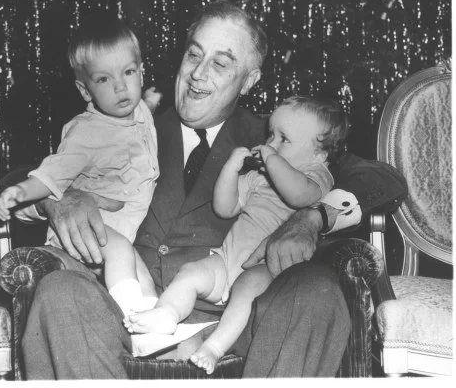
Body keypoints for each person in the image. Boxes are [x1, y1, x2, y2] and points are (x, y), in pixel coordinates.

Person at [15, 0, 406, 378]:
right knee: (58, 292)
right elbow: (20, 178)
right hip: (124, 318)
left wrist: (313, 217)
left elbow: (381, 179)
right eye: (193, 55)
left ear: (249, 80)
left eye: (220, 63)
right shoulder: (127, 123)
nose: (198, 74)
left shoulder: (275, 138)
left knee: (316, 291)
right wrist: (56, 200)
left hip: (232, 325)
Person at [124, 96, 349, 374]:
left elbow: (298, 194)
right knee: (191, 273)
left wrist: (271, 158)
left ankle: (214, 347)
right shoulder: (259, 177)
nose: (271, 144)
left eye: (284, 139)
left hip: (264, 269)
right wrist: (231, 168)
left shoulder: (317, 175)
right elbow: (225, 207)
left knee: (244, 293)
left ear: (320, 155)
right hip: (227, 258)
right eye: (271, 135)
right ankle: (167, 313)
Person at [0, 19, 164, 315]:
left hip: (118, 235)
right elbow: (51, 175)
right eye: (104, 79)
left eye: (128, 72)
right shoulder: (86, 134)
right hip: (83, 231)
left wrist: (150, 100)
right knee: (123, 255)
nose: (121, 87)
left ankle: (150, 325)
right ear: (85, 90)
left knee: (144, 281)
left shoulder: (138, 110)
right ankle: (132, 317)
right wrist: (21, 191)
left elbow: (142, 116)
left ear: (141, 71)